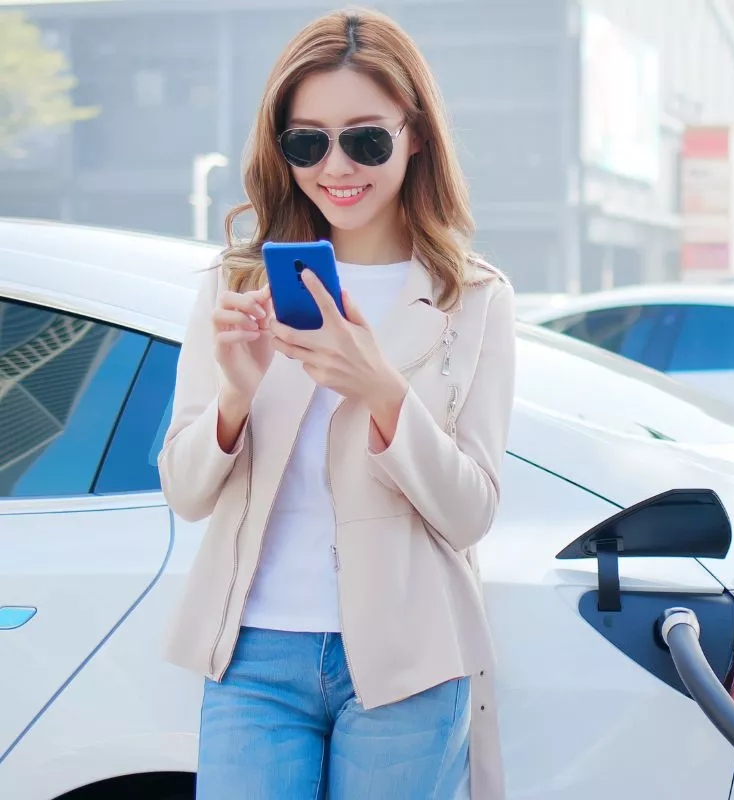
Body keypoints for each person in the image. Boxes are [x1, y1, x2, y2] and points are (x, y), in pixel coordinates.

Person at [157, 7, 515, 799]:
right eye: (307, 141)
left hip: (409, 660)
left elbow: (471, 512)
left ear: (414, 133)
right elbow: (184, 490)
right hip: (254, 656)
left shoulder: (472, 298)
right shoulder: (237, 284)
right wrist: (236, 394)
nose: (336, 166)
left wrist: (382, 391)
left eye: (366, 138)